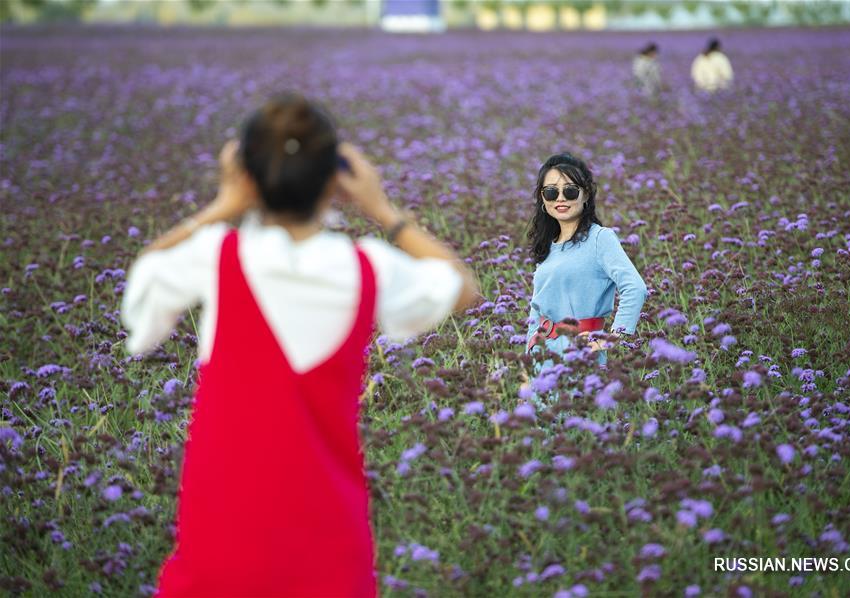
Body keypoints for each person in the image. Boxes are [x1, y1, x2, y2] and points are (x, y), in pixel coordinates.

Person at [121, 93, 480, 597]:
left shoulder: (216, 257)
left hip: (222, 547)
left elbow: (143, 278)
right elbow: (462, 287)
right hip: (329, 547)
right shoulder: (367, 268)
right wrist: (384, 211)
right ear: (335, 178)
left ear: (247, 174)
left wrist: (223, 205)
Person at [524, 153, 647, 377]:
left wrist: (610, 339)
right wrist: (529, 360)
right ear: (543, 199)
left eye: (570, 190)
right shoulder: (548, 245)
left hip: (581, 356)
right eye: (551, 192)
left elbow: (635, 288)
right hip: (542, 358)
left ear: (585, 194)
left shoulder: (600, 238)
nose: (560, 198)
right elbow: (536, 310)